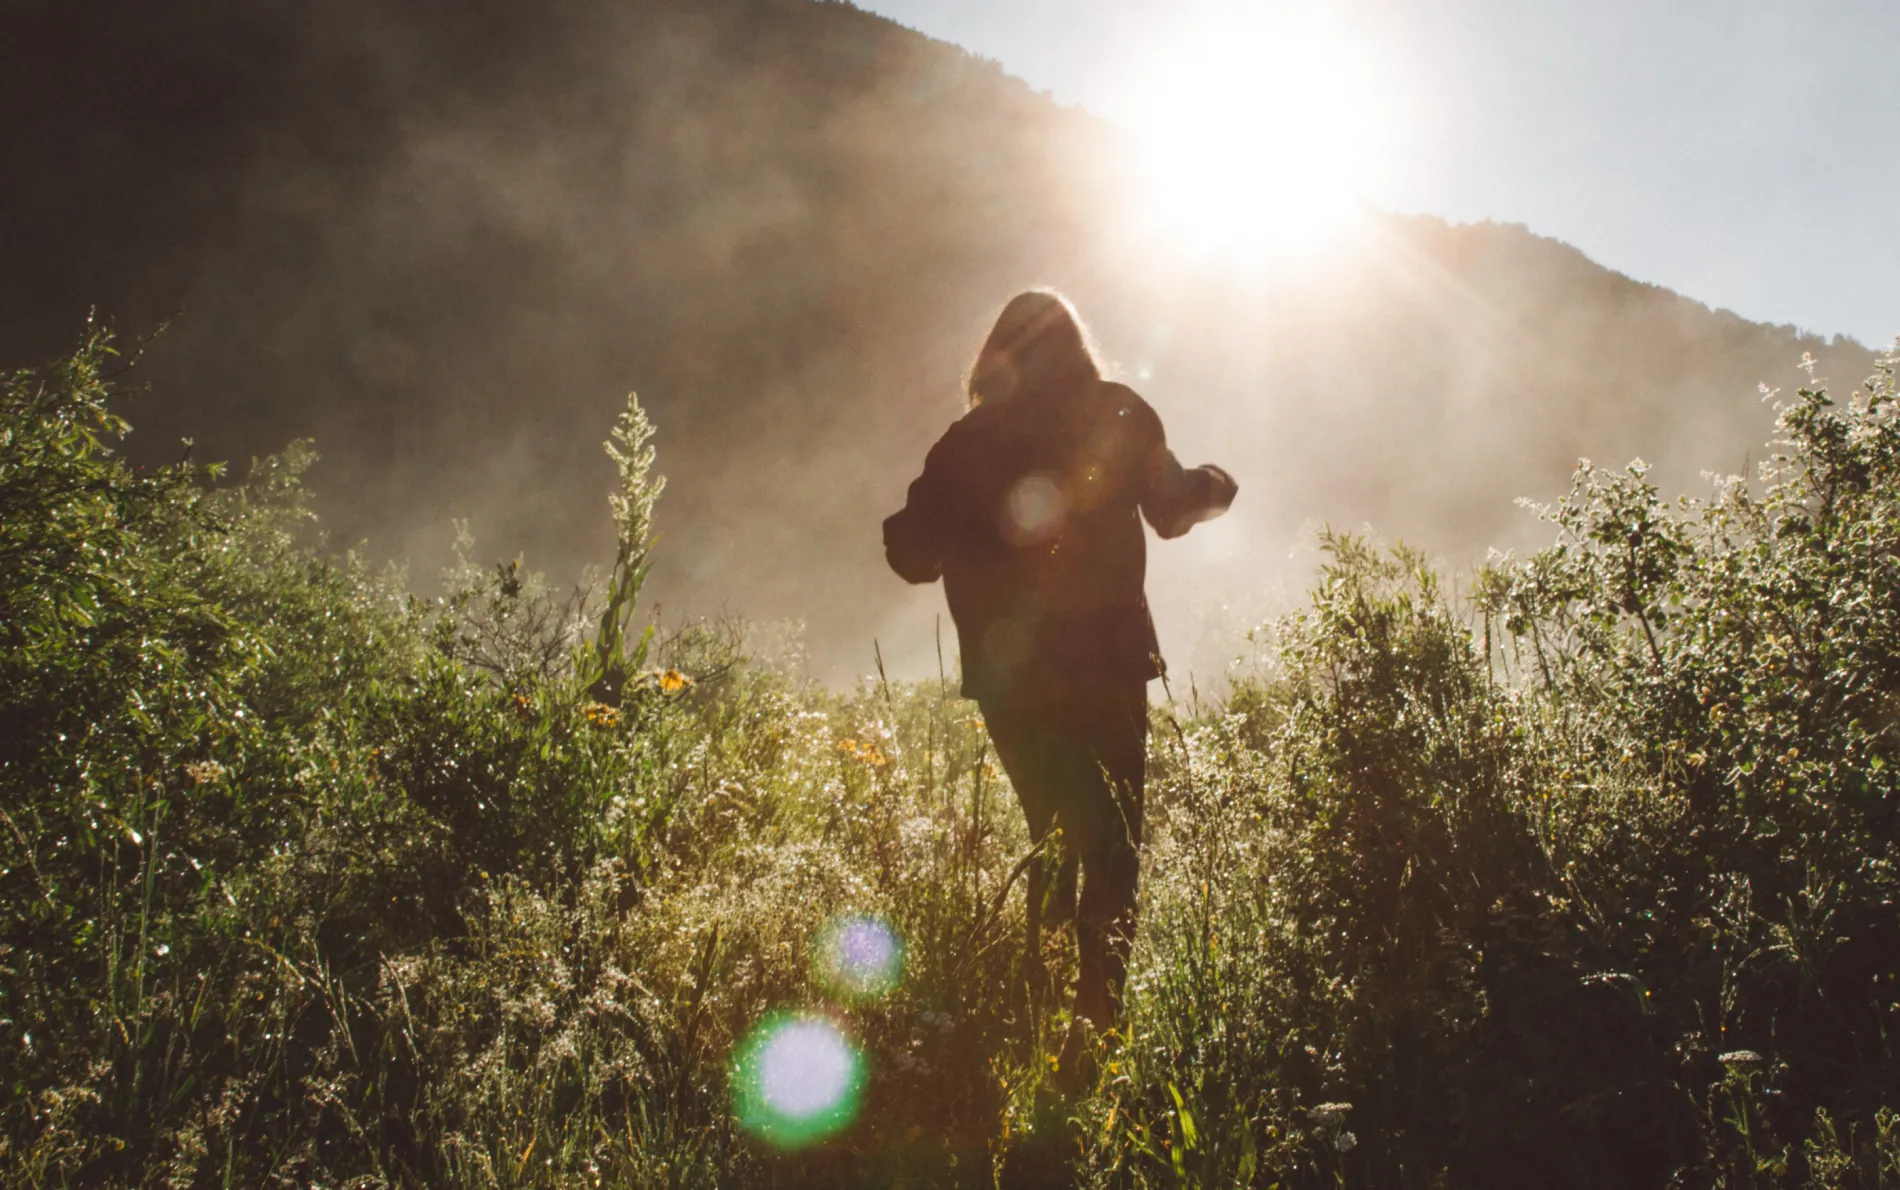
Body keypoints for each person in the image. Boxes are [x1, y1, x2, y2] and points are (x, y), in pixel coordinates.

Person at [882, 290, 1236, 1059]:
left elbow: (911, 553)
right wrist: (1218, 483)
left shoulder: (964, 442)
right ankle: (1094, 1030)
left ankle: (1039, 1015)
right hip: (1107, 665)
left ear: (994, 357)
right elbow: (1173, 511)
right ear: (1076, 347)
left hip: (1012, 680)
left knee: (1051, 832)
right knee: (1114, 846)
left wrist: (956, 529)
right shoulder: (1118, 411)